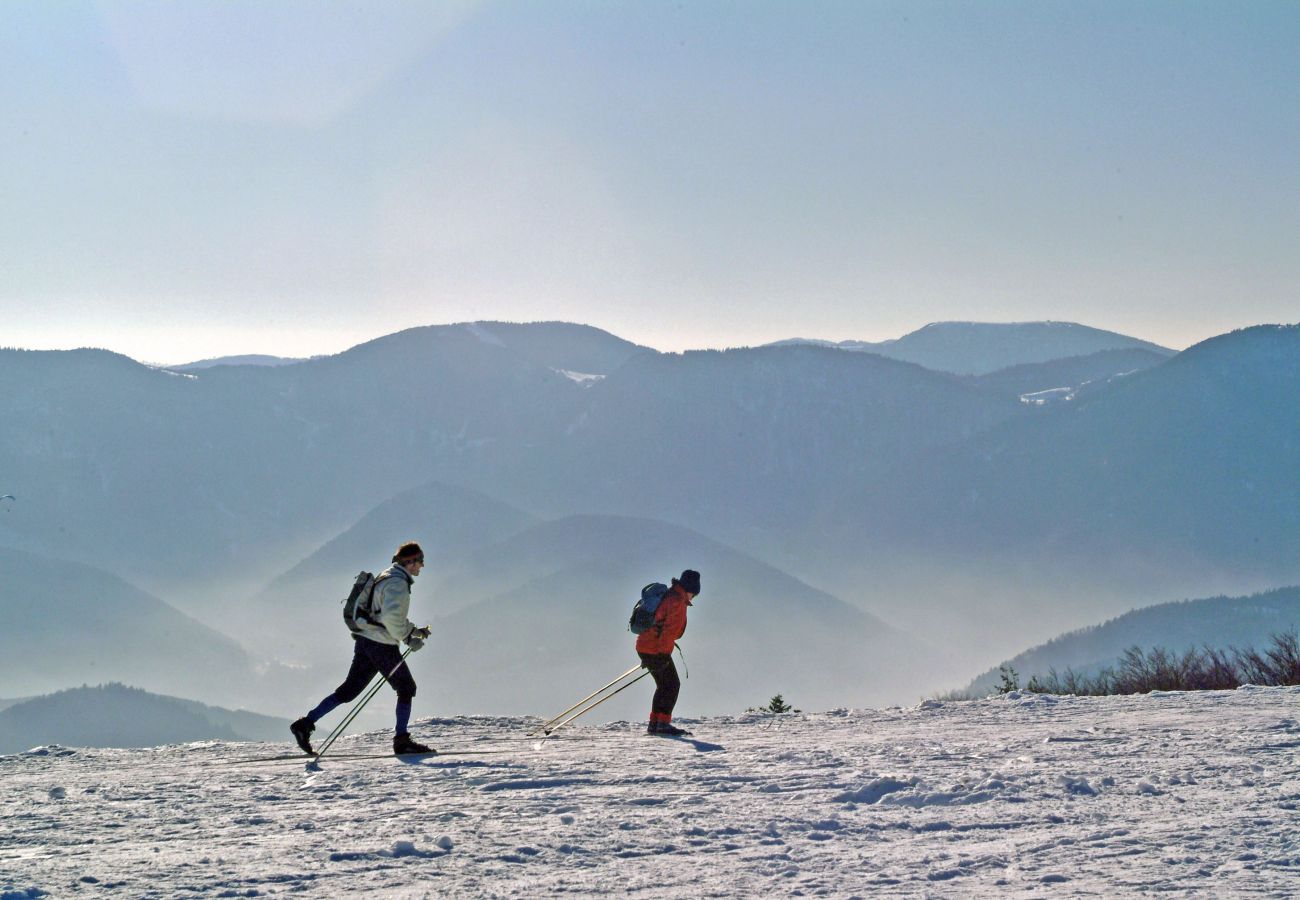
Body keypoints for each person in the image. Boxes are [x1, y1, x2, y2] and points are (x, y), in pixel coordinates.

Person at [291, 542, 433, 756]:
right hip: (382, 645)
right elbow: (391, 617)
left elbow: (383, 614)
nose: (422, 565)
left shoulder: (387, 576)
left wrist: (414, 630)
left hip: (366, 640)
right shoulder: (398, 584)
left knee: (348, 690)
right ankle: (402, 741)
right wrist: (407, 637)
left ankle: (305, 723)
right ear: (409, 562)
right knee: (406, 688)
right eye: (420, 560)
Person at [636, 569, 700, 736]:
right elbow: (668, 632)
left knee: (664, 685)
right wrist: (663, 656)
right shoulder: (678, 602)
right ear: (691, 590)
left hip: (645, 647)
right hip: (656, 650)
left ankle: (655, 724)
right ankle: (662, 724)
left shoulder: (670, 595)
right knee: (672, 685)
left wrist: (648, 655)